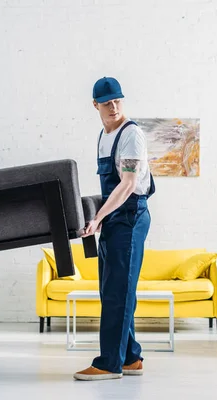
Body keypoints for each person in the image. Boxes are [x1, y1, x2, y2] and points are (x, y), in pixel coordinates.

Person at [75, 77, 156, 381]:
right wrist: (96, 217)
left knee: (118, 292)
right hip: (113, 218)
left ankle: (109, 363)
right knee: (112, 289)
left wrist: (97, 218)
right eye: (107, 102)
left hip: (131, 217)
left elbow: (128, 184)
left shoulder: (130, 134)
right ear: (95, 105)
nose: (114, 106)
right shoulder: (103, 135)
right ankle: (131, 357)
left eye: (118, 100)